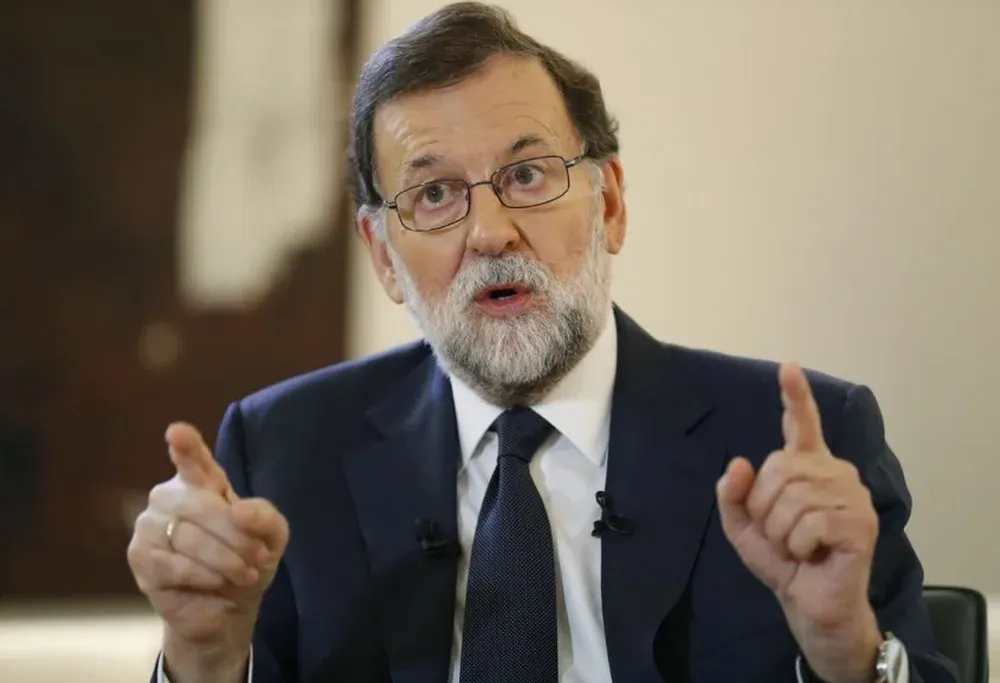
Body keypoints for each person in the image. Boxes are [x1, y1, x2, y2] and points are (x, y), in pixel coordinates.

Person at [127, 3, 959, 682]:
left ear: (612, 204)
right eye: (436, 194)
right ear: (383, 255)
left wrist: (844, 649)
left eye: (527, 175)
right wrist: (202, 657)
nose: (490, 232)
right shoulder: (283, 453)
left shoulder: (791, 444)